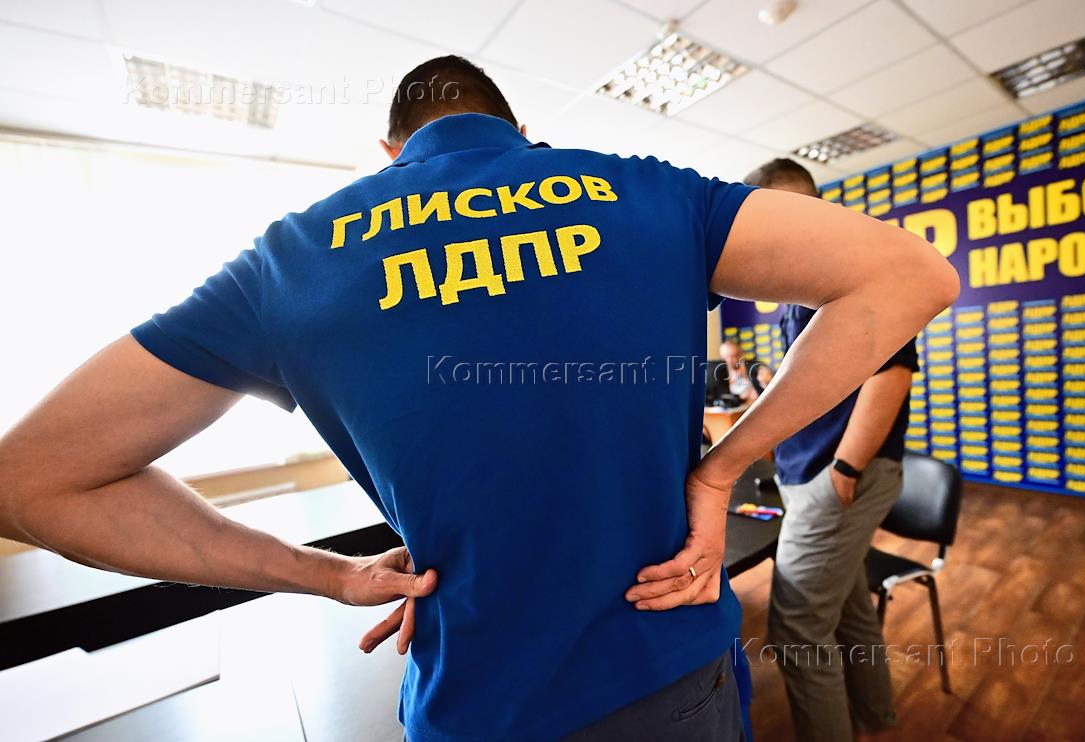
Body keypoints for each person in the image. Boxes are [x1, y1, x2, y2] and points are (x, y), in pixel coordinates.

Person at [0, 57, 957, 741]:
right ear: (523, 136)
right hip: (666, 670)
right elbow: (912, 275)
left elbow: (31, 482)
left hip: (478, 701)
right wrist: (720, 472)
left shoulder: (293, 261)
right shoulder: (648, 195)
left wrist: (327, 576)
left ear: (390, 152)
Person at [744, 158, 921, 741]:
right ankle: (876, 718)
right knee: (847, 611)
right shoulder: (801, 290)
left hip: (835, 479)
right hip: (811, 477)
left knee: (796, 630)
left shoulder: (847, 273)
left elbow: (890, 374)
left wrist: (845, 468)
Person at [708, 339, 762, 404]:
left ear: (741, 354)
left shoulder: (754, 368)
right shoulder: (719, 373)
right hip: (735, 407)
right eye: (726, 357)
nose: (730, 360)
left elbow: (760, 393)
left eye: (734, 356)